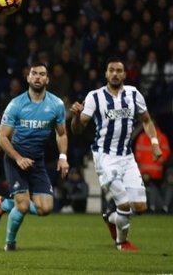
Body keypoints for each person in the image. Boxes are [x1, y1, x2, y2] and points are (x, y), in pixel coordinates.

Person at [70, 57, 163, 251]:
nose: (115, 73)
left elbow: (146, 120)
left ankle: (110, 217)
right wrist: (76, 116)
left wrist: (154, 143)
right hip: (105, 157)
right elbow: (77, 130)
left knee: (140, 208)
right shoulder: (94, 97)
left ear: (125, 74)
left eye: (119, 70)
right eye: (111, 70)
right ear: (106, 74)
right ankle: (122, 242)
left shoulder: (133, 94)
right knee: (124, 204)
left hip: (127, 158)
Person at [0, 62, 69, 251]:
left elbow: (61, 133)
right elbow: (1, 137)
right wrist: (18, 158)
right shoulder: (16, 104)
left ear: (47, 80)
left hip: (37, 160)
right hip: (14, 158)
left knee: (46, 209)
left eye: (42, 74)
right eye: (34, 73)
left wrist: (63, 157)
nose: (37, 77)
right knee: (24, 206)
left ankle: (4, 204)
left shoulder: (56, 105)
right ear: (28, 77)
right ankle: (10, 242)